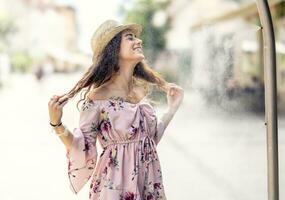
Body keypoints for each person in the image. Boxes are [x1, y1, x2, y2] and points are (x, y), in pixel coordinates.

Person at [48, 19, 184, 200]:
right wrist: (56, 123)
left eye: (136, 37)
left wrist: (171, 109)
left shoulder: (140, 90)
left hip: (148, 185)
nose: (139, 41)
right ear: (113, 49)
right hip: (113, 189)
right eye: (130, 38)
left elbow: (149, 141)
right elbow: (82, 148)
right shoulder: (98, 97)